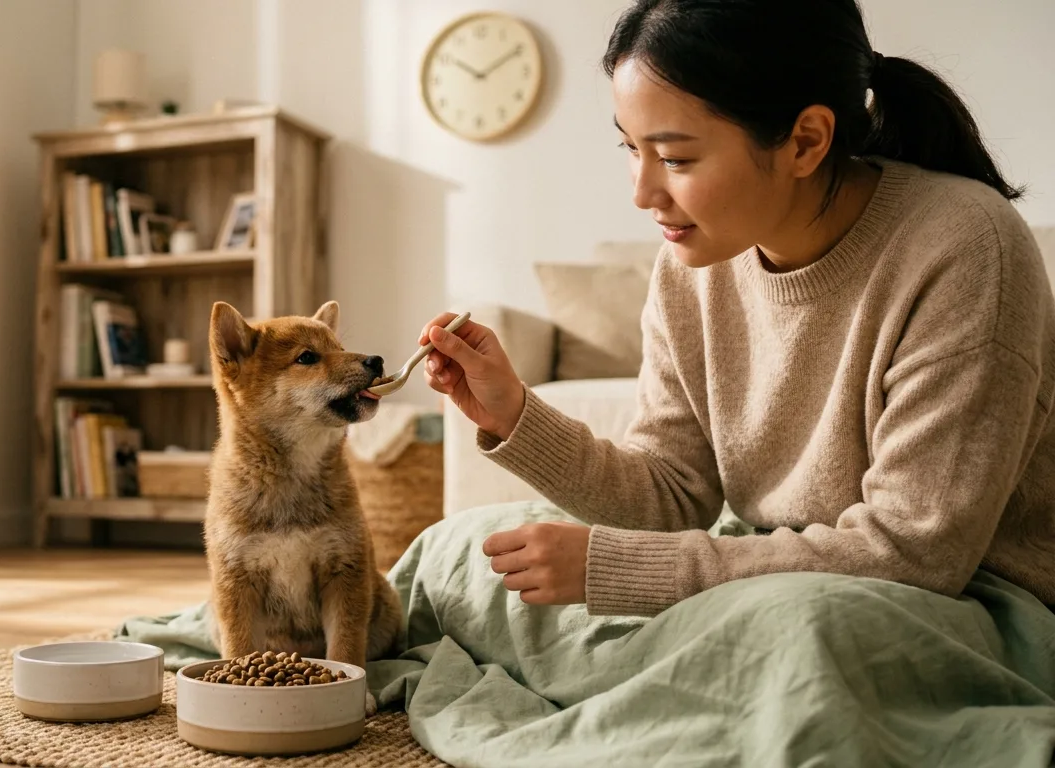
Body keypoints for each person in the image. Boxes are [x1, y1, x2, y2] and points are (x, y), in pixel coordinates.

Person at [422, 0, 1055, 617]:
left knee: (780, 649)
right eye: (630, 149)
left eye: (674, 158)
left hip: (962, 600)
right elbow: (671, 496)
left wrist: (623, 570)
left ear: (805, 141)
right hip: (779, 576)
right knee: (454, 556)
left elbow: (914, 553)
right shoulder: (690, 265)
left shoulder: (968, 247)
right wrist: (514, 415)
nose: (643, 193)